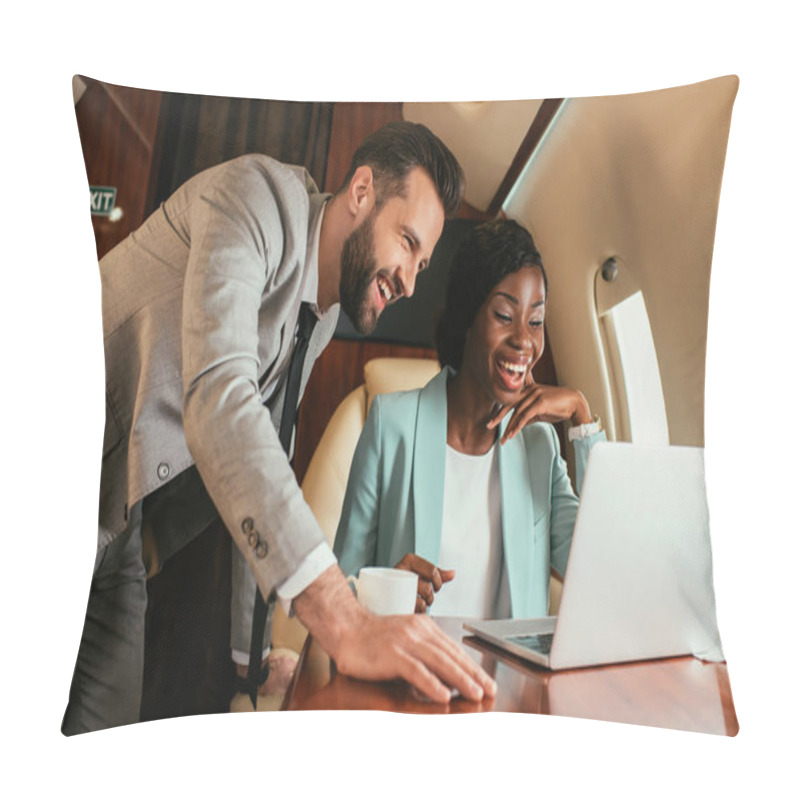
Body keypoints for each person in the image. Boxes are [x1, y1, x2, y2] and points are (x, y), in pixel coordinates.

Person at [62, 122, 497, 735]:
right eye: (407, 243)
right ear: (363, 191)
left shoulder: (318, 319)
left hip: (118, 526)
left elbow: (261, 466)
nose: (409, 281)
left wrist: (251, 661)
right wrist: (341, 621)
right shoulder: (252, 199)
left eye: (422, 264)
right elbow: (219, 399)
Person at [334, 219, 605, 618]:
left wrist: (582, 418)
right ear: (466, 318)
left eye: (535, 321)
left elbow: (596, 570)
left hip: (510, 682)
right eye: (503, 315)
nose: (524, 341)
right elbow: (338, 592)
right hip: (412, 677)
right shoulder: (391, 425)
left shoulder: (539, 447)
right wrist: (388, 595)